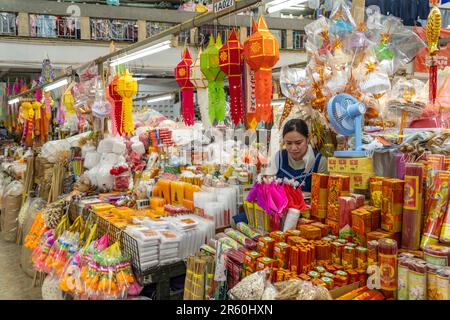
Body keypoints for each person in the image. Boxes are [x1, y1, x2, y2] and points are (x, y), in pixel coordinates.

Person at [265, 118, 327, 193]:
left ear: (308, 138)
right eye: (289, 143)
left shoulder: (320, 162)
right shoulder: (278, 158)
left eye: (298, 143)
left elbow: (323, 195)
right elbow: (268, 188)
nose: (294, 148)